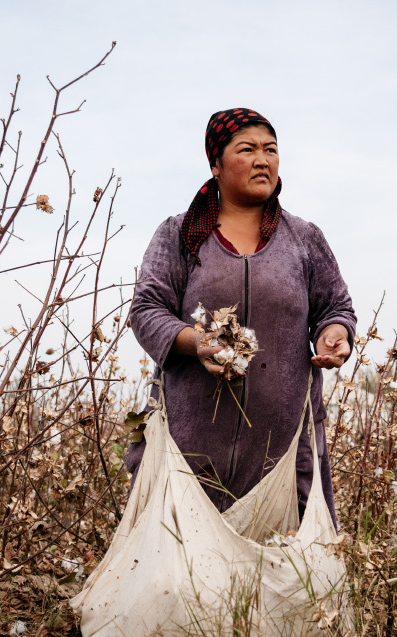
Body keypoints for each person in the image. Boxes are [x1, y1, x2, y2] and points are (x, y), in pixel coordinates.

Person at [126, 108, 356, 528]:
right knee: (181, 573)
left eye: (270, 150)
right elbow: (145, 309)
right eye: (247, 149)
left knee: (288, 575)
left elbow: (336, 308)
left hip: (283, 447)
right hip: (188, 443)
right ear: (215, 163)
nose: (262, 159)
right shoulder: (180, 235)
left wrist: (333, 333)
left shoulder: (303, 239)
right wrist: (195, 342)